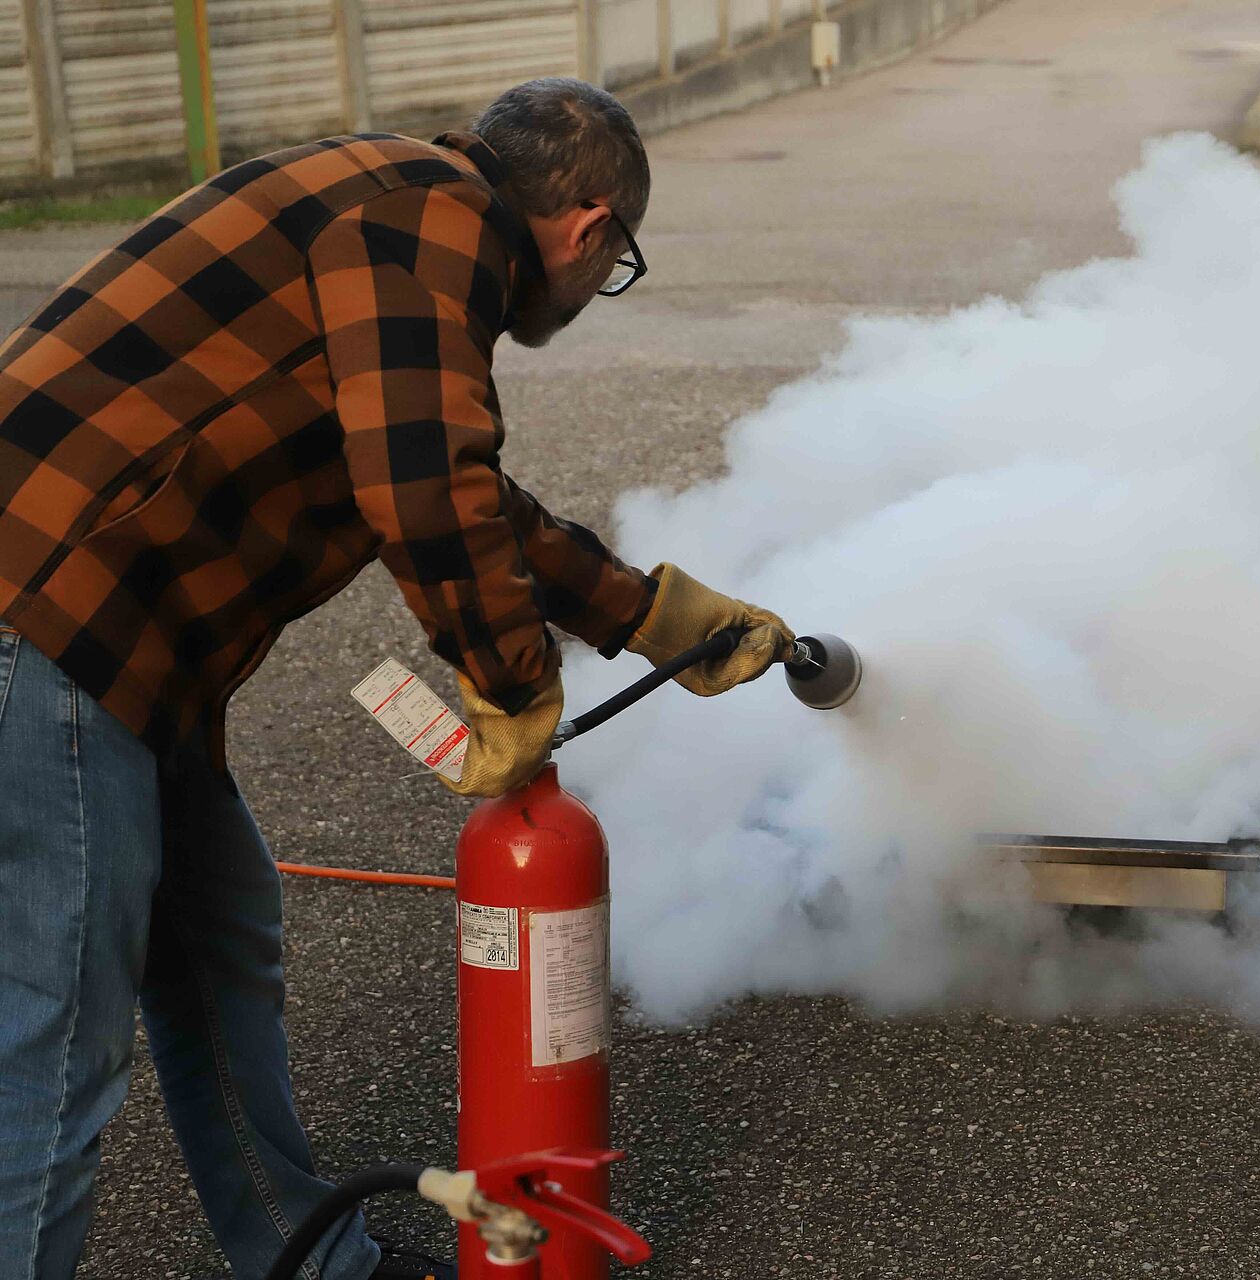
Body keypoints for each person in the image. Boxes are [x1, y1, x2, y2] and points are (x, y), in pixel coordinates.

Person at [0, 77, 790, 1279]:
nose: (595, 285)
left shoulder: (396, 208)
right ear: (589, 226)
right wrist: (515, 682)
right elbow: (426, 484)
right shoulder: (429, 216)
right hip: (49, 620)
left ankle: (312, 1261)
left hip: (127, 653)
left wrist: (658, 617)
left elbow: (460, 494)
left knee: (221, 943)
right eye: (612, 263)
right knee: (54, 1050)